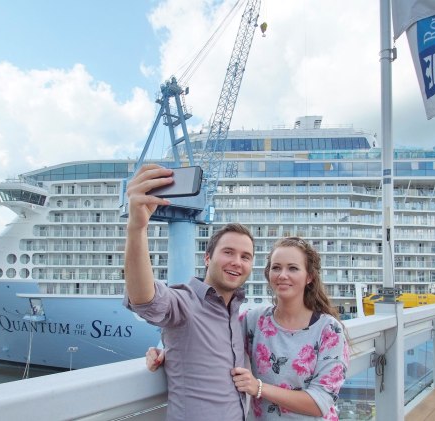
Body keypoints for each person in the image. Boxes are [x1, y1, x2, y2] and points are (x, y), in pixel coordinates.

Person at [148, 237, 349, 420]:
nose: (283, 275)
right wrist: (169, 352)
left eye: (293, 268)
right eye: (276, 268)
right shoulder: (254, 320)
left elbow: (320, 402)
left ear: (309, 277)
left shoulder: (329, 330)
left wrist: (259, 388)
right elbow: (216, 340)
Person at [123, 164, 255, 421]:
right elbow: (145, 299)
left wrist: (168, 353)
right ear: (207, 258)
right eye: (228, 252)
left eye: (245, 256)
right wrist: (137, 228)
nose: (237, 262)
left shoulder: (238, 315)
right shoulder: (183, 302)